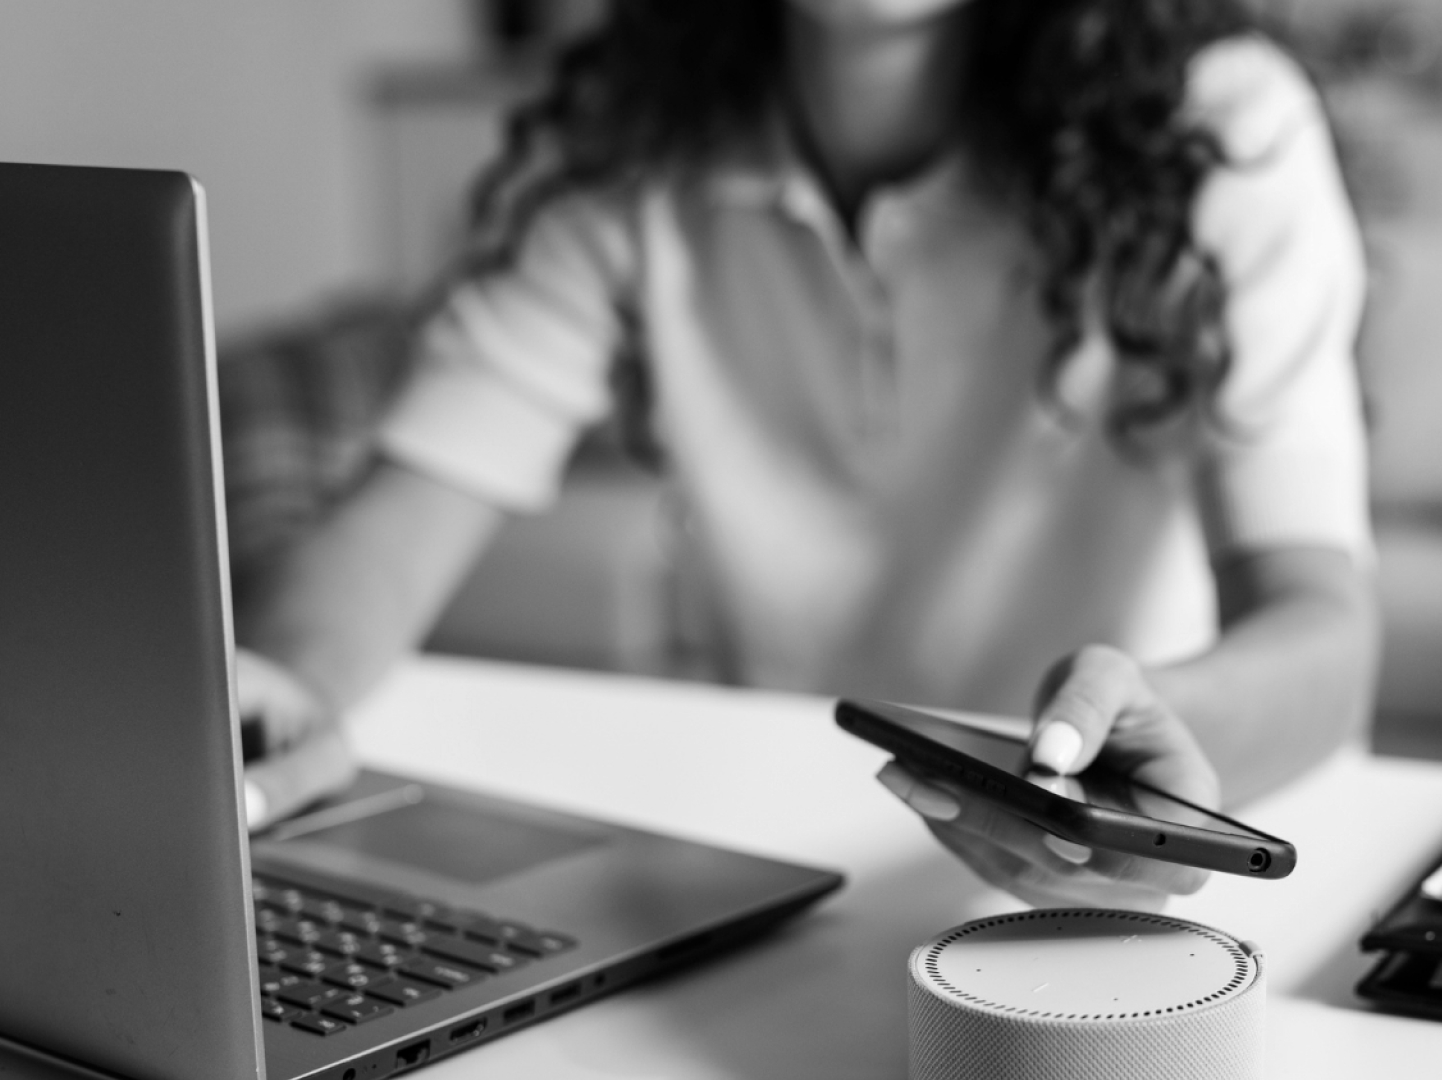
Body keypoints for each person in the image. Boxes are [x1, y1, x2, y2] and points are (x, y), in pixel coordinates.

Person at [235, 0, 1377, 912]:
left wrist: (1149, 780)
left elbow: (1327, 632)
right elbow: (402, 516)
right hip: (780, 870)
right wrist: (284, 688)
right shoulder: (637, 135)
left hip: (1169, 888)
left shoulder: (1218, 128)